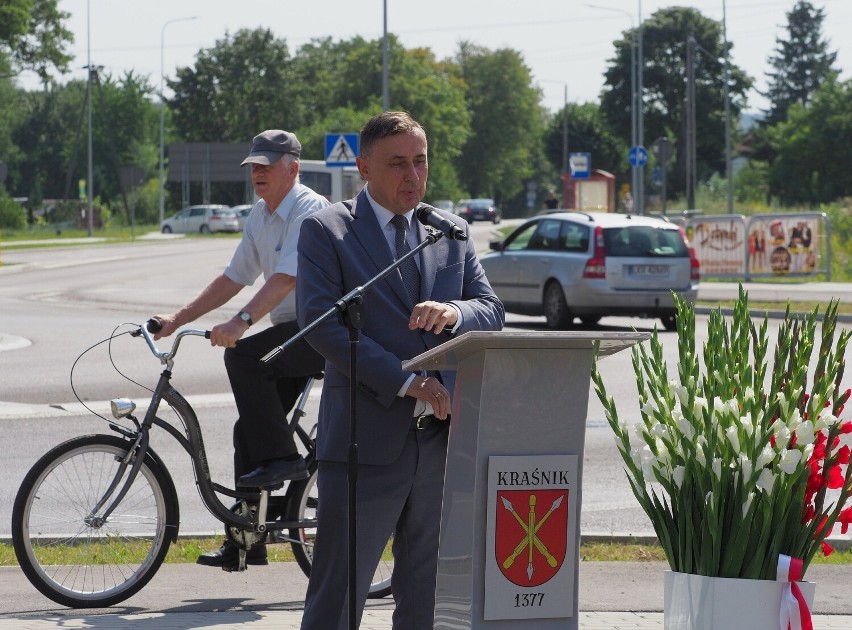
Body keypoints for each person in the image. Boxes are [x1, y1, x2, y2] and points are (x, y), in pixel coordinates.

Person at [296, 111, 504, 629]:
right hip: (364, 443)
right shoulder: (327, 230)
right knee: (338, 599)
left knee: (427, 598)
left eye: (420, 162)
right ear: (363, 167)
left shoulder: (448, 231)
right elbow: (321, 326)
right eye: (397, 164)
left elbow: (492, 309)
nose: (412, 175)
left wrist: (457, 313)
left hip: (439, 443)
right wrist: (406, 381)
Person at [152, 129, 329, 570]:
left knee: (243, 356)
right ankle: (246, 541)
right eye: (254, 165)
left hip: (325, 329)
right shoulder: (260, 215)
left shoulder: (309, 209)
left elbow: (286, 278)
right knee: (246, 432)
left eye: (268, 164)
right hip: (293, 331)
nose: (258, 172)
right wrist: (177, 320)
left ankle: (285, 460)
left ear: (294, 167)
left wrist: (241, 322)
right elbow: (234, 278)